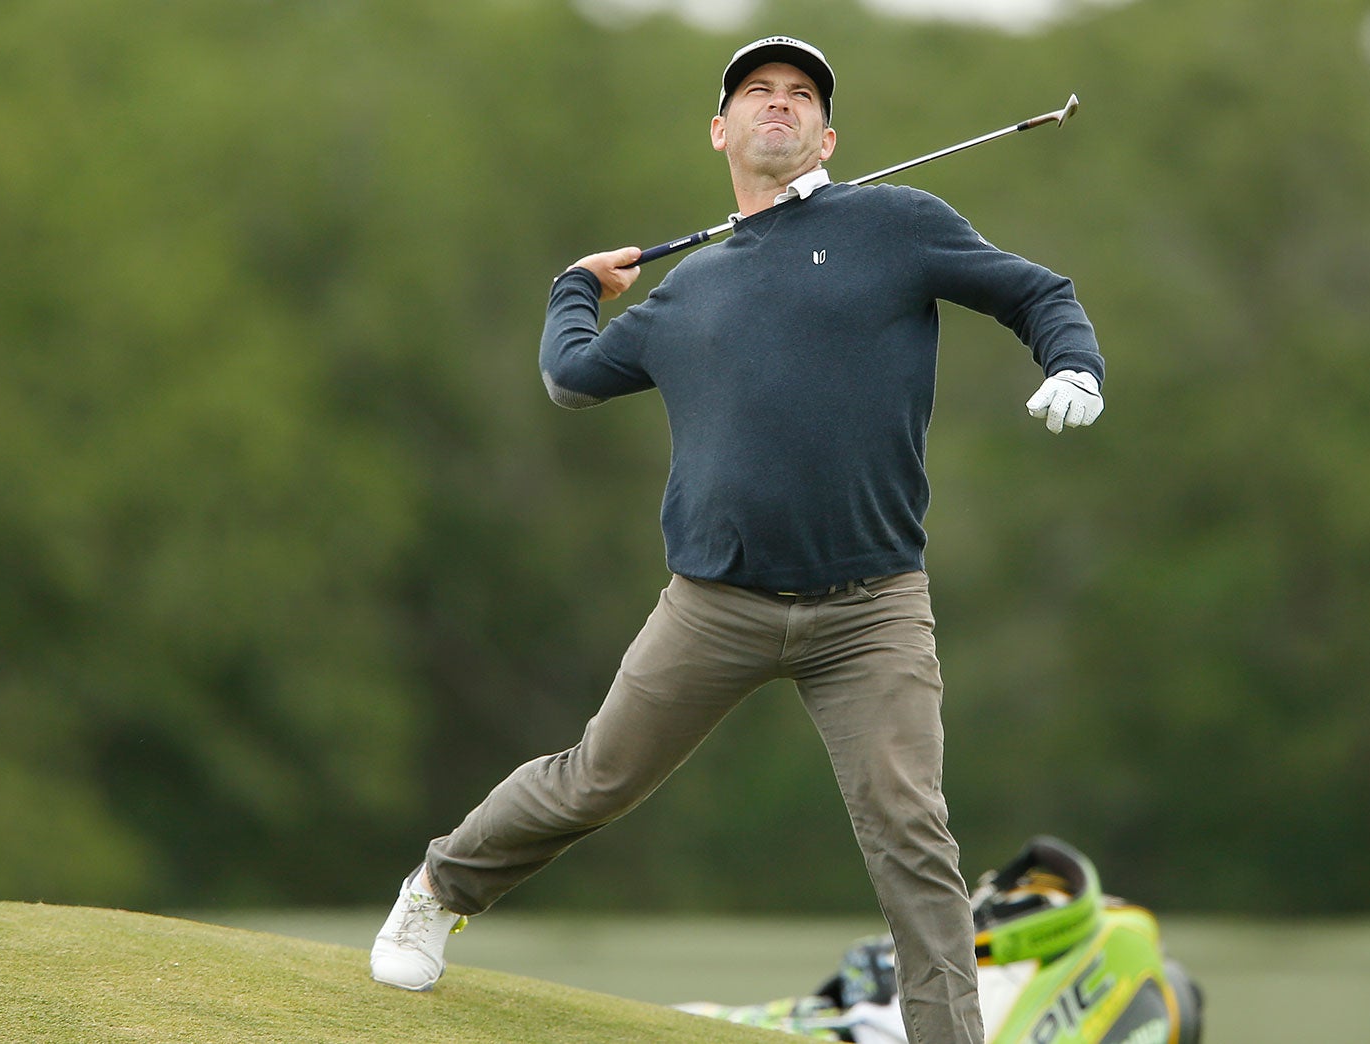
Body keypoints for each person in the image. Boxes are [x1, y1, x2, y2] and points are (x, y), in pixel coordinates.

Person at [369, 35, 1105, 1044]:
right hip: (714, 603)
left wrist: (1074, 365)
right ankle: (438, 886)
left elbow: (1037, 293)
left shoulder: (894, 224)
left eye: (799, 95)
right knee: (597, 778)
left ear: (826, 135)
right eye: (756, 92)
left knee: (910, 837)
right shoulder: (690, 290)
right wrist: (573, 288)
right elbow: (571, 377)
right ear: (720, 129)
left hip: (870, 607)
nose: (778, 104)